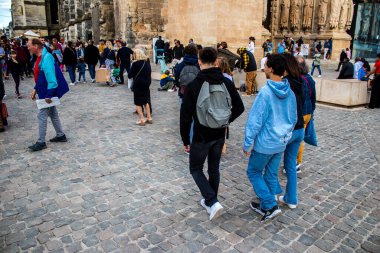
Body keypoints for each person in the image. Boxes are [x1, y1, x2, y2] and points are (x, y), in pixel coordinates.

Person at [180, 47, 244, 220]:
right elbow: (240, 108)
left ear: (199, 61)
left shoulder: (193, 85)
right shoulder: (227, 83)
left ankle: (212, 201)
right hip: (219, 135)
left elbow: (185, 117)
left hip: (201, 136)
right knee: (214, 169)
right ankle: (211, 202)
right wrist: (224, 121)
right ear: (216, 61)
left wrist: (185, 139)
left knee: (195, 168)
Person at [243, 54, 297, 222]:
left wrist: (247, 142)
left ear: (271, 69)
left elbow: (255, 120)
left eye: (265, 65)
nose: (263, 67)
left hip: (265, 144)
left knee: (253, 171)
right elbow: (293, 118)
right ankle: (268, 203)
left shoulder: (266, 93)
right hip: (280, 142)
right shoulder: (290, 92)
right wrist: (286, 136)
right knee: (271, 174)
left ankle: (269, 204)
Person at [28, 38, 67, 151]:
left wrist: (48, 95)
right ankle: (61, 135)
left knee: (41, 116)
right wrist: (35, 89)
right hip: (44, 91)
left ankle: (41, 142)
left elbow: (52, 79)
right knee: (53, 113)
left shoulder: (47, 57)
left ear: (36, 46)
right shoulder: (40, 57)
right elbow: (41, 76)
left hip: (47, 92)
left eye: (29, 45)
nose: (28, 47)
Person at [278, 53, 305, 210]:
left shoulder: (285, 84)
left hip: (288, 130)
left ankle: (269, 198)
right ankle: (291, 199)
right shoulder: (300, 81)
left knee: (272, 164)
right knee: (290, 166)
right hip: (300, 129)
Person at [295, 56, 316, 171]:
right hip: (307, 113)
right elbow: (314, 98)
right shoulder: (310, 79)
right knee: (300, 138)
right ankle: (296, 161)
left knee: (296, 139)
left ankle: (296, 162)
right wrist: (312, 113)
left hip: (299, 114)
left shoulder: (296, 80)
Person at [128, 49, 152, 126]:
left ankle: (142, 119)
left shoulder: (135, 64)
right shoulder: (147, 62)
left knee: (138, 102)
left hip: (138, 84)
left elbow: (130, 75)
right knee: (146, 101)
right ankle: (149, 117)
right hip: (146, 84)